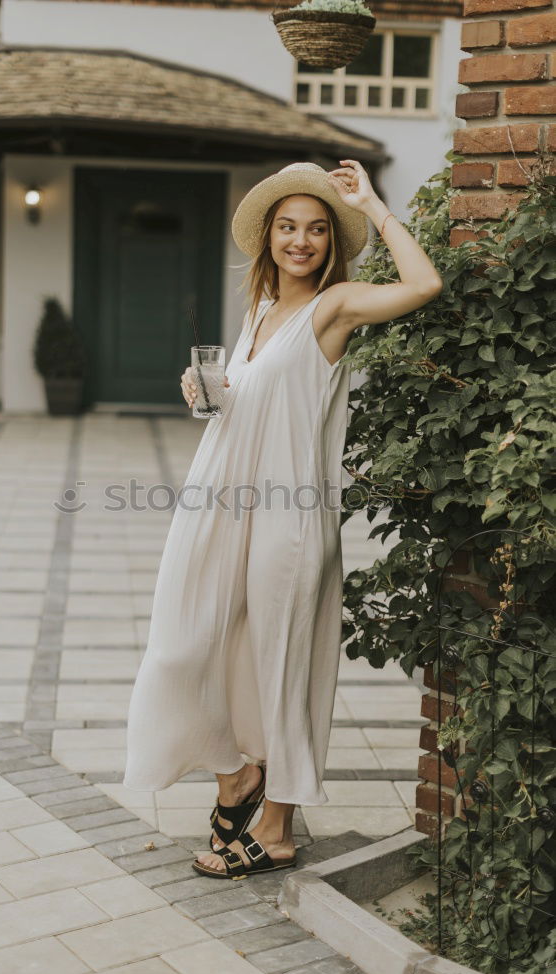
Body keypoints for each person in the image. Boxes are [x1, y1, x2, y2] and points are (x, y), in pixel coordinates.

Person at [123, 160, 443, 880]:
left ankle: (275, 830)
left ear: (332, 243)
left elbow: (424, 286)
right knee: (197, 642)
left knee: (281, 660)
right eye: (288, 227)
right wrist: (208, 391)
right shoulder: (259, 312)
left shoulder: (334, 308)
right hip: (227, 503)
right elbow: (253, 403)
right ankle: (239, 774)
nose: (301, 240)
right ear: (268, 238)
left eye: (317, 229)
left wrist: (376, 207)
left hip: (288, 521)